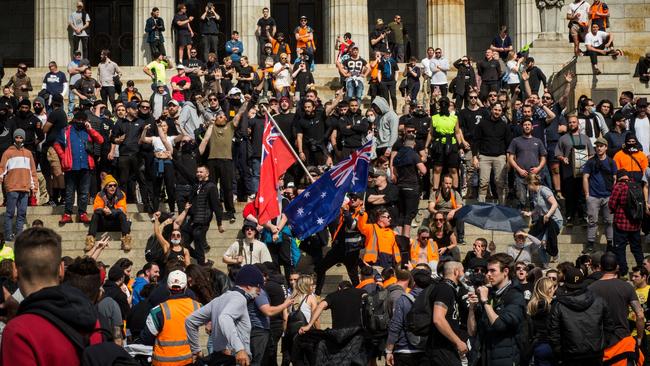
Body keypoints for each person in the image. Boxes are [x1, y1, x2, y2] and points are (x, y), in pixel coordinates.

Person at [0, 227, 104, 366]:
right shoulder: (90, 318)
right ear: (61, 268)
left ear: (15, 270)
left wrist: (20, 320)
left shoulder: (17, 332)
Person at [186, 264, 266, 365]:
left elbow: (190, 320)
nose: (260, 292)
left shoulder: (219, 299)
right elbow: (224, 318)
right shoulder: (239, 299)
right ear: (249, 286)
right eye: (258, 287)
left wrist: (196, 350)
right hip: (234, 360)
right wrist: (240, 349)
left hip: (219, 358)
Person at [467, 253, 526, 366]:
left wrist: (484, 301)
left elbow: (500, 325)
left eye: (493, 270)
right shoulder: (489, 293)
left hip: (505, 359)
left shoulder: (515, 295)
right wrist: (471, 308)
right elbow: (472, 331)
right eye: (487, 270)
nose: (488, 274)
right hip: (484, 357)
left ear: (505, 272)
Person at [548, 266, 613, 365]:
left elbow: (553, 334)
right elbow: (609, 326)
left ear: (566, 284)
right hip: (591, 353)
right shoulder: (599, 300)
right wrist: (602, 345)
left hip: (573, 354)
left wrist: (560, 353)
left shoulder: (558, 305)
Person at [590, 252, 646, 365]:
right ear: (617, 267)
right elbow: (640, 315)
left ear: (600, 267)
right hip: (623, 341)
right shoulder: (627, 287)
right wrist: (639, 337)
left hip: (599, 343)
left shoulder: (591, 288)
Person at [54, 112, 104, 226]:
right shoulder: (66, 130)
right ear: (75, 119)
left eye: (83, 119)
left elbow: (100, 140)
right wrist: (63, 156)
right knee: (69, 191)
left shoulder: (88, 131)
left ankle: (82, 213)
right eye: (79, 119)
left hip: (86, 166)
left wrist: (90, 129)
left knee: (84, 192)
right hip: (71, 166)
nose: (81, 121)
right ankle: (67, 214)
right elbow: (57, 144)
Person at [141, 270, 200, 366]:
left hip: (162, 362)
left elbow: (146, 337)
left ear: (168, 288)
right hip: (188, 361)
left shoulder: (158, 311)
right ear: (186, 287)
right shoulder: (196, 306)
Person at [315, 192, 365, 294]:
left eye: (355, 198)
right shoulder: (344, 209)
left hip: (351, 251)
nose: (352, 200)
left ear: (361, 201)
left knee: (354, 276)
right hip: (338, 249)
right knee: (320, 268)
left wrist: (346, 213)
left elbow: (352, 226)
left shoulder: (362, 213)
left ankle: (360, 296)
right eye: (351, 197)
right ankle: (317, 293)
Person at [385, 269, 431, 366]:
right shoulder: (432, 299)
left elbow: (395, 326)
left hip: (404, 349)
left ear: (413, 282)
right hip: (426, 350)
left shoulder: (404, 299)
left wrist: (389, 350)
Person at [555, 113, 594, 226]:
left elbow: (592, 154)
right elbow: (558, 154)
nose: (572, 124)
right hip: (568, 172)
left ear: (578, 124)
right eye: (570, 122)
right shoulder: (563, 138)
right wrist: (563, 158)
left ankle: (583, 217)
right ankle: (569, 217)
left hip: (583, 173)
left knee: (582, 195)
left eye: (574, 122)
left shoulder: (586, 138)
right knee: (570, 195)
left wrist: (587, 159)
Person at [181, 166, 224, 266]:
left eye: (201, 172)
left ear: (207, 174)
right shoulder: (196, 184)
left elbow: (217, 206)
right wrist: (172, 158)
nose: (198, 174)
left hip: (203, 222)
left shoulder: (211, 187)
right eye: (197, 172)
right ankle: (203, 259)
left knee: (198, 243)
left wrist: (219, 223)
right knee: (183, 242)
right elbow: (184, 172)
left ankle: (203, 265)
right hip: (192, 220)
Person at [0, 129, 38, 240]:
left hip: (25, 188)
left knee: (22, 213)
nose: (19, 139)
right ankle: (8, 236)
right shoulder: (8, 153)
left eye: (21, 137)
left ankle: (19, 236)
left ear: (24, 138)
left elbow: (33, 172)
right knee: (10, 213)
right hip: (12, 187)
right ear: (14, 138)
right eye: (17, 137)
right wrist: (1, 177)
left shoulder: (28, 153)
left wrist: (34, 186)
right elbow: (2, 168)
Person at [472, 103, 511, 204]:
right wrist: (474, 157)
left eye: (499, 110)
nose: (497, 112)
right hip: (484, 157)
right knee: (483, 183)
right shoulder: (482, 124)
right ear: (491, 110)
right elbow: (476, 141)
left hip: (500, 157)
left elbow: (508, 143)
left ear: (501, 112)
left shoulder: (504, 126)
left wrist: (508, 160)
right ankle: (481, 206)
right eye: (495, 110)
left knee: (500, 183)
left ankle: (502, 206)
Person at [608, 169, 645, 275]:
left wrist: (614, 210)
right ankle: (642, 269)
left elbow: (612, 204)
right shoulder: (636, 185)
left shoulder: (619, 186)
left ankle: (623, 271)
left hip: (621, 223)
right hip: (635, 224)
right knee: (637, 248)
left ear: (618, 177)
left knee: (620, 249)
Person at [582, 137, 616, 253]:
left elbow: (615, 178)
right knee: (592, 221)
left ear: (606, 147)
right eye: (597, 146)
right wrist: (587, 194)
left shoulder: (611, 162)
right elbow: (585, 177)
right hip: (593, 196)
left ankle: (610, 244)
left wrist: (613, 194)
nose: (599, 148)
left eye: (601, 146)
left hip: (608, 195)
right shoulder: (591, 161)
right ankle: (590, 243)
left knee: (609, 221)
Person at [507, 118, 547, 209]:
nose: (527, 126)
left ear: (532, 127)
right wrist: (519, 170)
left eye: (529, 125)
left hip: (534, 176)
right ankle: (523, 221)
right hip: (520, 175)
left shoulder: (538, 141)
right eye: (525, 125)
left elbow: (543, 157)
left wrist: (538, 168)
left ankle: (535, 221)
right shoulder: (515, 141)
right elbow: (511, 158)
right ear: (522, 127)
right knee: (521, 200)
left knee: (535, 200)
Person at [85, 174, 132, 252]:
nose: (113, 187)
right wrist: (104, 210)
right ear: (106, 187)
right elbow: (97, 208)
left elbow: (122, 208)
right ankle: (90, 240)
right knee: (96, 214)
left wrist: (111, 212)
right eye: (110, 186)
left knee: (122, 214)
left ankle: (126, 240)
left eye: (114, 185)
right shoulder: (100, 195)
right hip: (104, 222)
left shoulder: (121, 194)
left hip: (116, 222)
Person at [527, 277, 556, 366]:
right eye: (551, 288)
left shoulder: (532, 305)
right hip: (550, 345)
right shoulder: (551, 306)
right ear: (546, 290)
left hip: (537, 345)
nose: (553, 290)